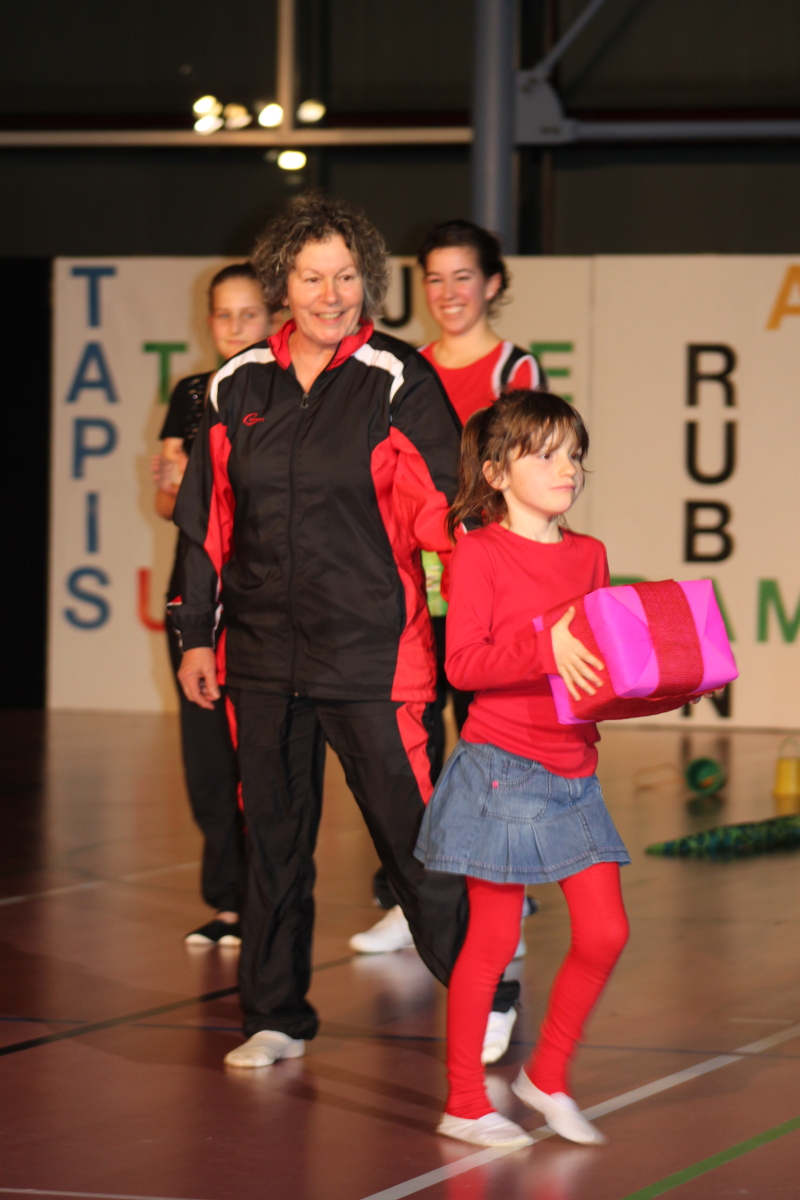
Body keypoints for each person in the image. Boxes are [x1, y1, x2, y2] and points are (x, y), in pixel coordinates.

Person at [172, 192, 521, 1069]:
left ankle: (487, 992)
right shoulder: (234, 385)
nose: (331, 295)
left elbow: (448, 510)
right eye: (311, 278)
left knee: (416, 841)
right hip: (261, 656)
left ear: (367, 282)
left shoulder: (397, 378)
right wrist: (195, 634)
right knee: (273, 845)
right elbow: (206, 521)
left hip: (374, 656)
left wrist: (517, 567)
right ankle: (276, 1016)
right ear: (282, 285)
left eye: (347, 277)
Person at [415, 390, 630, 1148]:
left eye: (573, 455)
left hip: (574, 769)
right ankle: (464, 1101)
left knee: (605, 932)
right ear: (497, 473)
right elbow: (464, 665)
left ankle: (548, 1077)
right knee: (492, 941)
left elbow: (598, 663)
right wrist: (545, 648)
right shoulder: (480, 551)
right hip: (502, 768)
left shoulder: (590, 554)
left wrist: (660, 679)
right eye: (545, 455)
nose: (566, 468)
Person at [351, 220, 543, 962]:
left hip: (488, 586)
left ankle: (503, 897)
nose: (448, 292)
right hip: (413, 587)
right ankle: (418, 896)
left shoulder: (513, 370)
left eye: (463, 276)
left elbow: (528, 475)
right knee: (414, 742)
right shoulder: (403, 368)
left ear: (492, 284)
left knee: (492, 740)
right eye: (434, 278)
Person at [154, 262, 272, 945]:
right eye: (224, 315)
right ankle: (227, 900)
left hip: (262, 595)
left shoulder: (287, 389)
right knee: (206, 759)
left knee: (261, 753)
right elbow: (167, 501)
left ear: (273, 317)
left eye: (248, 313)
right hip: (196, 593)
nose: (235, 326)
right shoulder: (192, 393)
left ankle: (267, 896)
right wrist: (178, 487)